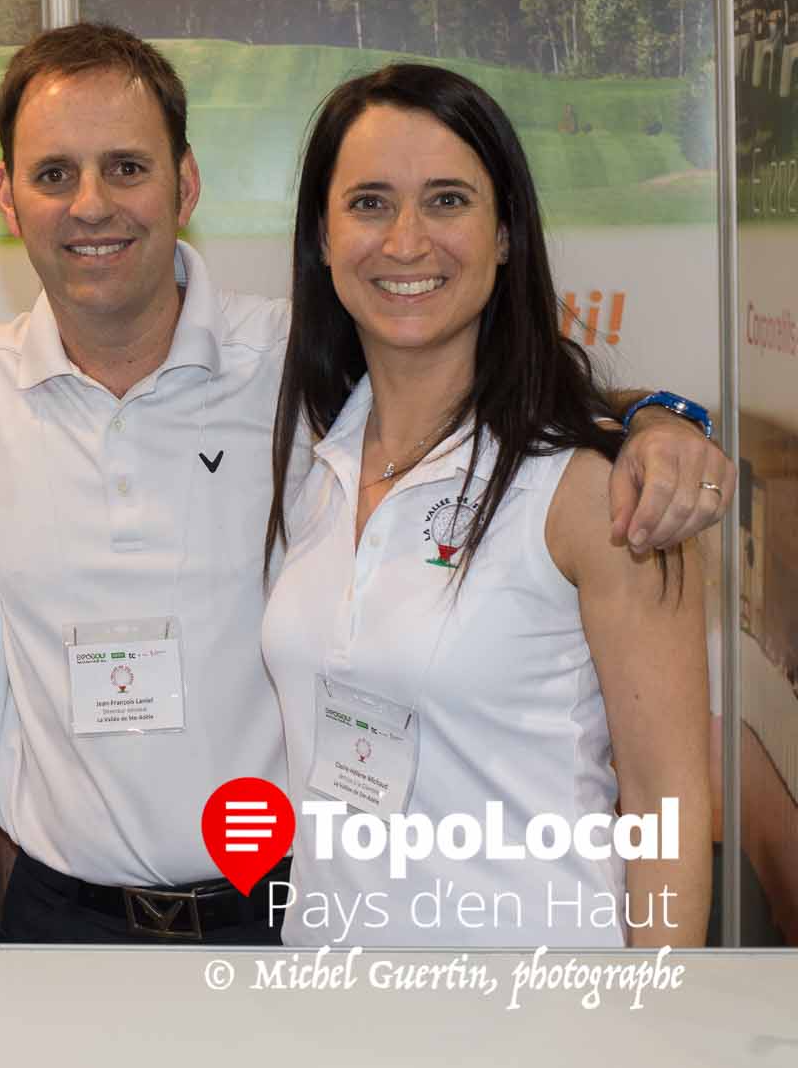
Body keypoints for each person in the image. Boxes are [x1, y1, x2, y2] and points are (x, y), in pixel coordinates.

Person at [0, 24, 731, 944]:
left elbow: (481, 392)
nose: (91, 204)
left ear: (184, 182)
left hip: (281, 910)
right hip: (57, 921)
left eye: (124, 166)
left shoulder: (297, 369)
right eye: (54, 173)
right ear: (7, 198)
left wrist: (660, 419)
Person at [260, 63, 711, 946]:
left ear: (504, 233)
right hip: (325, 986)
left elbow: (669, 803)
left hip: (539, 998)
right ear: (322, 234)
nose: (406, 241)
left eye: (447, 200)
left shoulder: (594, 489)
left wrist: (662, 1008)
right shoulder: (313, 457)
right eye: (369, 203)